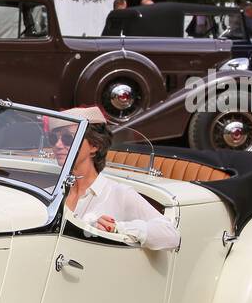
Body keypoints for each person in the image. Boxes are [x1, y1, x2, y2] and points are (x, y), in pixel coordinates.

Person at [49, 106, 180, 250]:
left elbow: (171, 235)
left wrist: (117, 228)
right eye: (53, 138)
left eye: (68, 138)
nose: (57, 145)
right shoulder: (50, 193)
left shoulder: (119, 193)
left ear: (95, 145)